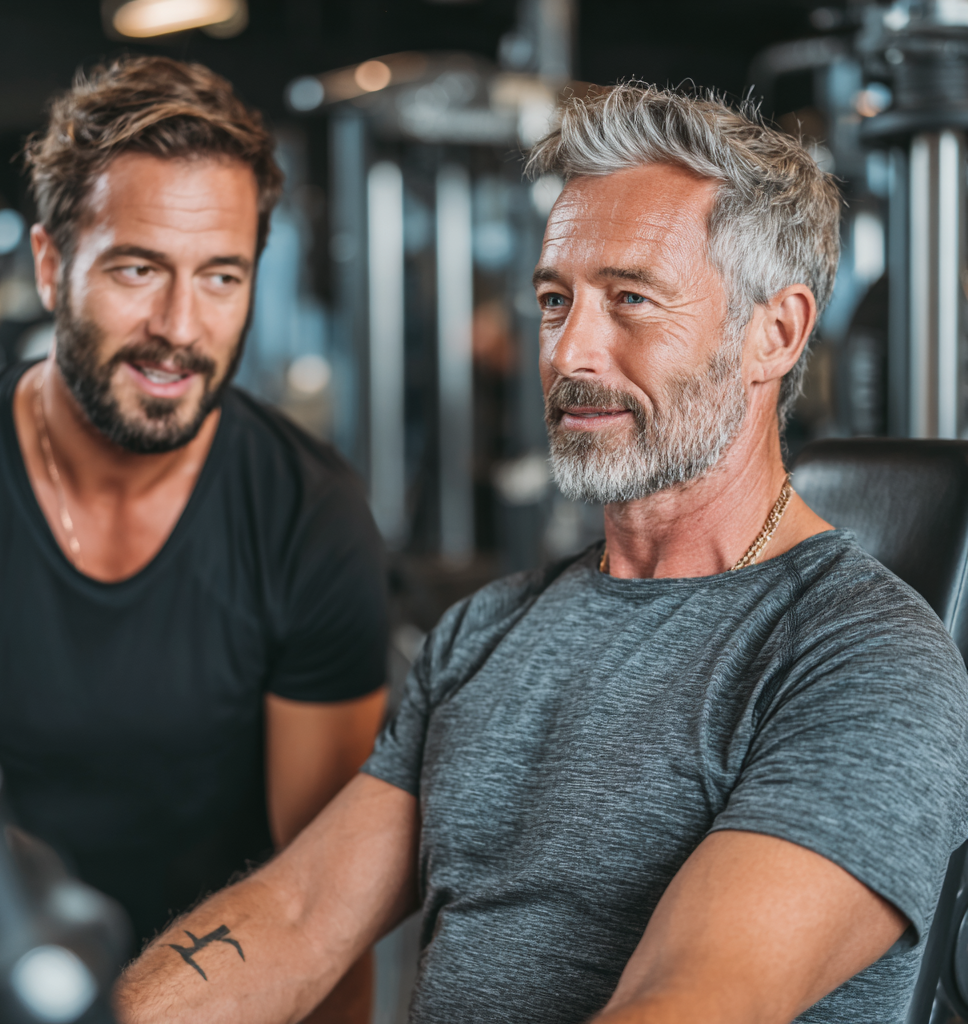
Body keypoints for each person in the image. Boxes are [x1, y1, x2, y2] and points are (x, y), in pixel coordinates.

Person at [114, 84, 968, 1024]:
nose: (571, 352)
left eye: (631, 300)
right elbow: (299, 913)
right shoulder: (489, 627)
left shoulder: (867, 664)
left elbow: (687, 1001)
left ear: (777, 332)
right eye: (556, 300)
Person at [0, 57, 388, 1023]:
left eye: (220, 277)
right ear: (51, 263)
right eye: (138, 269)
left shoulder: (309, 518)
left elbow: (323, 910)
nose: (178, 329)